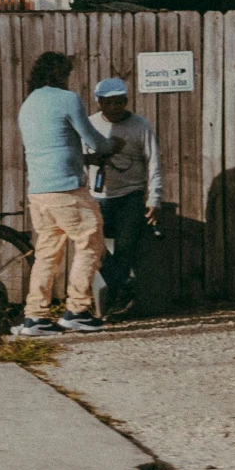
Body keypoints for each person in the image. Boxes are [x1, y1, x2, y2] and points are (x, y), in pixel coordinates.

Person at [12, 51, 113, 337]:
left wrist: (83, 160)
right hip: (67, 188)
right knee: (91, 243)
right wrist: (111, 146)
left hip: (40, 190)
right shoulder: (67, 99)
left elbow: (53, 146)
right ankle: (78, 310)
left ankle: (36, 316)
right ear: (60, 74)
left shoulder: (28, 104)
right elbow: (94, 140)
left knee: (47, 253)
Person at [88, 77, 162, 318]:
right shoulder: (89, 126)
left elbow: (154, 162)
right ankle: (123, 290)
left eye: (120, 101)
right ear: (99, 103)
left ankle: (113, 304)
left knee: (126, 248)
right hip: (97, 196)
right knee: (92, 245)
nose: (115, 107)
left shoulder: (140, 125)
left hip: (130, 196)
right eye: (109, 102)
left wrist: (154, 198)